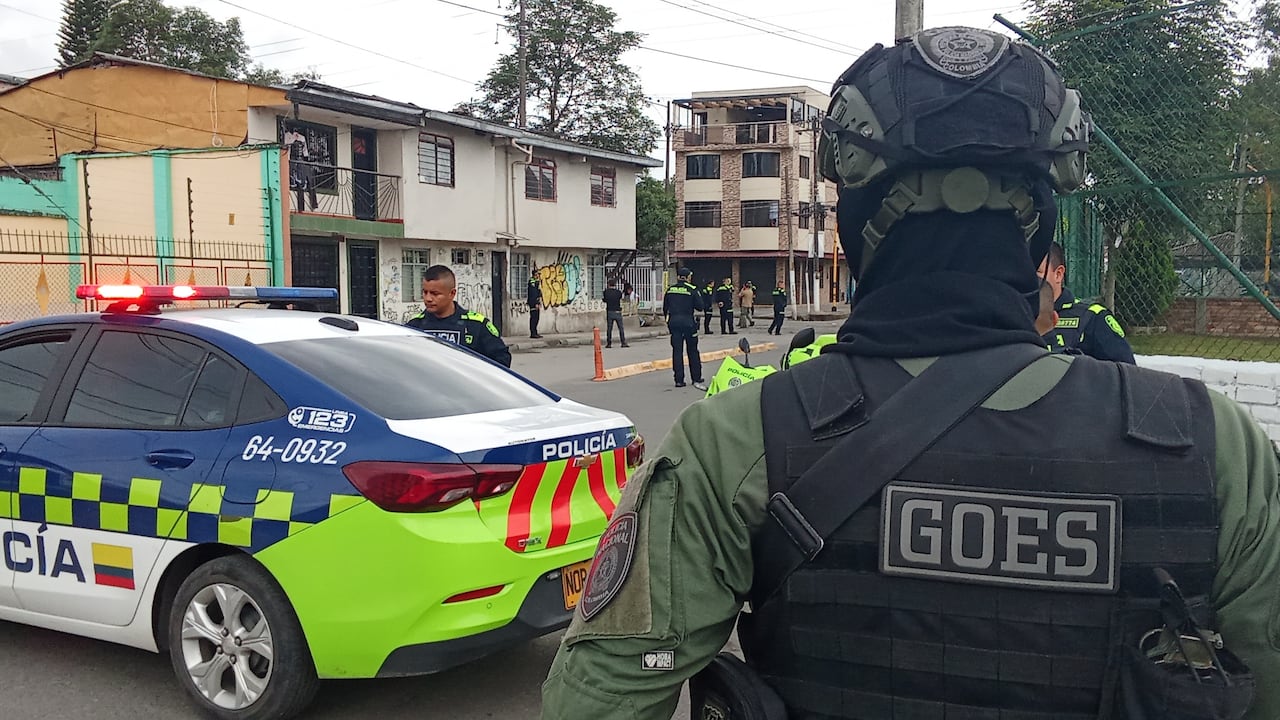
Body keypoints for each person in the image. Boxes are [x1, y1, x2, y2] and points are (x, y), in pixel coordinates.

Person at [542, 25, 1279, 720]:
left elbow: (599, 697)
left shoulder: (737, 441)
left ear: (851, 220)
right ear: (1042, 222)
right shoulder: (1213, 448)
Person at [1039, 241, 1135, 363]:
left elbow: (1125, 374)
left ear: (1058, 274)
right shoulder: (1014, 315)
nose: (1028, 279)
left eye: (1037, 272)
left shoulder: (1093, 318)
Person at [406, 265, 511, 367]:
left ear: (452, 293)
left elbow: (502, 360)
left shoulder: (476, 325)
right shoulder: (414, 326)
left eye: (435, 293)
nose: (428, 298)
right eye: (425, 292)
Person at [662, 267, 706, 390]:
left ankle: (679, 380)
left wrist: (668, 321)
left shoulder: (670, 290)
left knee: (677, 351)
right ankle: (696, 377)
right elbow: (700, 307)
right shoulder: (692, 289)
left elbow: (665, 308)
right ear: (688, 277)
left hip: (674, 323)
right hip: (688, 323)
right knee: (692, 350)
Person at [603, 278, 628, 348]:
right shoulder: (618, 292)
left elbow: (604, 300)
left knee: (609, 328)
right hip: (618, 312)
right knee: (621, 328)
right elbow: (620, 298)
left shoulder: (606, 292)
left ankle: (609, 343)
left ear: (608, 284)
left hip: (610, 312)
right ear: (615, 285)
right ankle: (623, 342)